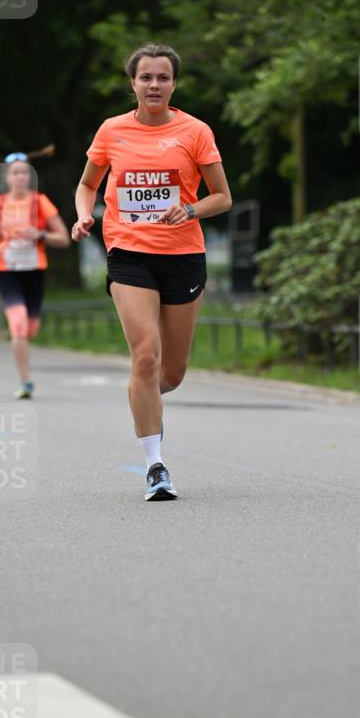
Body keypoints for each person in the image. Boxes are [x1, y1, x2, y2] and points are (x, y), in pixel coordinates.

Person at [72, 43, 232, 501]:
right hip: (129, 252)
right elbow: (87, 184)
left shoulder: (195, 131)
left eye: (163, 78)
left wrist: (191, 209)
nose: (154, 85)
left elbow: (223, 196)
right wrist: (85, 215)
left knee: (172, 372)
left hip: (183, 256)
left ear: (174, 84)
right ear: (133, 83)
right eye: (146, 78)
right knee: (145, 356)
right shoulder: (112, 130)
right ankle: (155, 466)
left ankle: (143, 395)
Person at [0, 153, 70, 398]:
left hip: (34, 270)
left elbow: (64, 238)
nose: (20, 177)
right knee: (18, 326)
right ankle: (25, 381)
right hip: (5, 270)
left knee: (30, 330)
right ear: (7, 177)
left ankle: (24, 350)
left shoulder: (40, 202)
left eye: (24, 173)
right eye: (15, 173)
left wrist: (41, 235)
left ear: (29, 176)